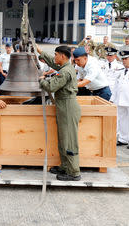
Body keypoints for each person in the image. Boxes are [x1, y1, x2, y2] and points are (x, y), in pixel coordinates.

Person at [37, 45, 82, 181]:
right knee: (63, 139)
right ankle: (65, 166)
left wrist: (42, 80)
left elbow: (51, 86)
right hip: (64, 106)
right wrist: (40, 52)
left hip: (68, 107)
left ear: (62, 56)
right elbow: (52, 61)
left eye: (56, 54)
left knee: (69, 140)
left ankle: (74, 172)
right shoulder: (65, 67)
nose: (54, 57)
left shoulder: (65, 72)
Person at [110, 51, 129, 149]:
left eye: (126, 59)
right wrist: (112, 99)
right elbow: (116, 87)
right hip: (121, 100)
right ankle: (123, 138)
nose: (124, 61)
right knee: (122, 120)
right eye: (123, 59)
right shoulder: (120, 71)